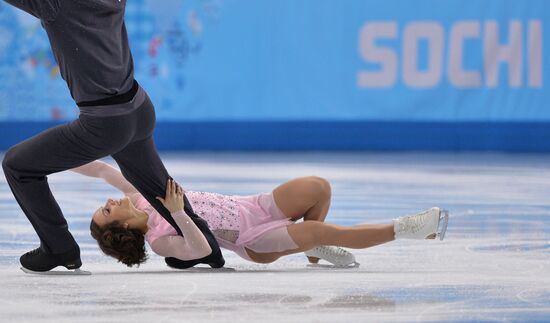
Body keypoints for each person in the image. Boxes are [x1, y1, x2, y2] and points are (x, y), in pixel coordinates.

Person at [1, 0, 224, 272]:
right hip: (139, 109)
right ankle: (208, 248)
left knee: (17, 165)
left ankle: (58, 248)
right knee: (156, 187)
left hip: (104, 124)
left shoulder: (56, 4)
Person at [72, 160, 448, 267]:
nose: (110, 202)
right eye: (106, 210)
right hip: (253, 241)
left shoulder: (138, 197)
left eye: (105, 204)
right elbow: (203, 251)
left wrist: (52, 158)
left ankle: (314, 251)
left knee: (318, 186)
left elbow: (103, 169)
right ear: (119, 227)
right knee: (322, 232)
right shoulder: (159, 241)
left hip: (252, 206)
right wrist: (177, 213)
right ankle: (409, 228)